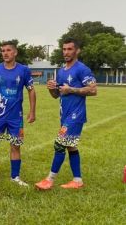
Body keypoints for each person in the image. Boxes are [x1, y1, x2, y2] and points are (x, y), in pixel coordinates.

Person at [35, 38, 97, 190]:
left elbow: (93, 90)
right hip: (65, 115)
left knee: (59, 144)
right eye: (64, 49)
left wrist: (72, 89)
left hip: (76, 115)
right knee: (71, 146)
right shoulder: (61, 71)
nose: (66, 52)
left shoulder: (82, 69)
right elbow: (57, 95)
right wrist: (51, 88)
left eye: (69, 49)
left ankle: (49, 179)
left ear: (77, 51)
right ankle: (77, 180)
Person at [0, 41, 36, 186]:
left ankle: (15, 176)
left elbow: (31, 90)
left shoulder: (24, 70)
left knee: (15, 146)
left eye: (8, 50)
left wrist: (32, 111)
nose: (5, 53)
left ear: (15, 52)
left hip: (16, 116)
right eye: (3, 51)